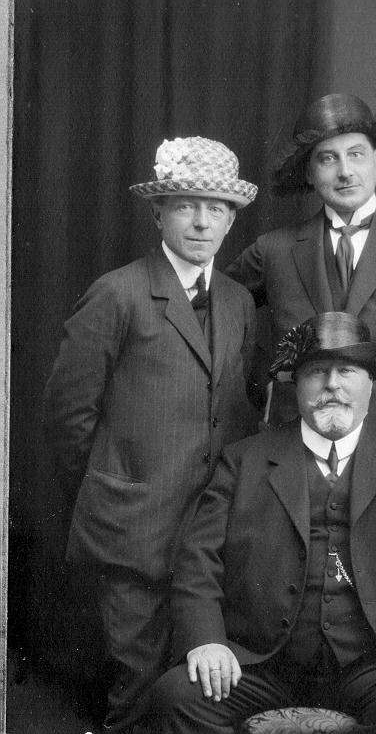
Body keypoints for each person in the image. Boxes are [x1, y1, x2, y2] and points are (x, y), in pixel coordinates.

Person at [149, 312, 376, 733]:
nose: (332, 385)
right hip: (263, 664)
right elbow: (198, 558)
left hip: (371, 665)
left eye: (347, 371)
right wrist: (207, 640)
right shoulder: (244, 459)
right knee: (177, 696)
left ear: (371, 383)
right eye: (317, 372)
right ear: (297, 385)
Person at [42, 136, 259, 732]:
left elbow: (232, 410)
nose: (201, 221)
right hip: (131, 537)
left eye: (216, 208)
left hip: (208, 541)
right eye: (186, 205)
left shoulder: (238, 301)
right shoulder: (118, 293)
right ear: (158, 214)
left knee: (192, 696)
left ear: (232, 220)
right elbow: (66, 418)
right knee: (135, 692)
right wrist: (114, 489)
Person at [226, 93, 376, 460]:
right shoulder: (274, 250)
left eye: (356, 154)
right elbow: (213, 308)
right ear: (309, 173)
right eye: (328, 158)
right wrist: (268, 379)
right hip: (292, 460)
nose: (344, 171)